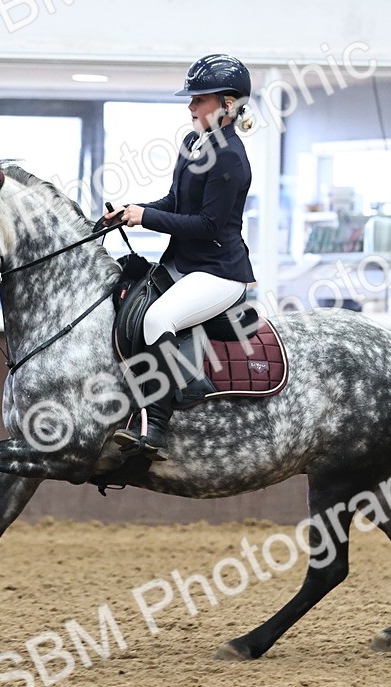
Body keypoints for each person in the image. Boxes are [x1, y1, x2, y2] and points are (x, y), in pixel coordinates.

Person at [106, 54, 255, 461]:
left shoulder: (230, 158)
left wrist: (147, 217)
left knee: (158, 318)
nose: (190, 107)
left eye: (199, 99)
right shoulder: (194, 142)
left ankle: (156, 425)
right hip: (184, 264)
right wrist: (132, 210)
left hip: (220, 273)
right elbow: (176, 201)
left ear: (228, 104)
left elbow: (207, 224)